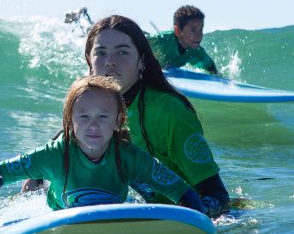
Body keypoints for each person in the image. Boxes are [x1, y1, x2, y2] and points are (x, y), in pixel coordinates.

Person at [0, 75, 206, 214]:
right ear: (69, 121)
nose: (93, 126)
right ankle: (36, 180)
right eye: (83, 117)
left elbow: (182, 191)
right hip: (57, 208)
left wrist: (201, 221)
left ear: (118, 121)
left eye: (103, 117)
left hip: (109, 206)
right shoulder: (54, 154)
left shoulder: (128, 156)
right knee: (33, 185)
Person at [84, 15, 231, 217]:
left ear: (141, 60)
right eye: (100, 53)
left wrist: (186, 217)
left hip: (186, 218)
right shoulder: (87, 111)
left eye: (122, 52)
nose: (110, 62)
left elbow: (218, 195)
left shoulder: (169, 113)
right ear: (89, 62)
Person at [146, 5, 218, 74]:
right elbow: (139, 40)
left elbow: (210, 67)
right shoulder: (162, 40)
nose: (199, 35)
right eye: (193, 30)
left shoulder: (196, 51)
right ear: (178, 31)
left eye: (201, 29)